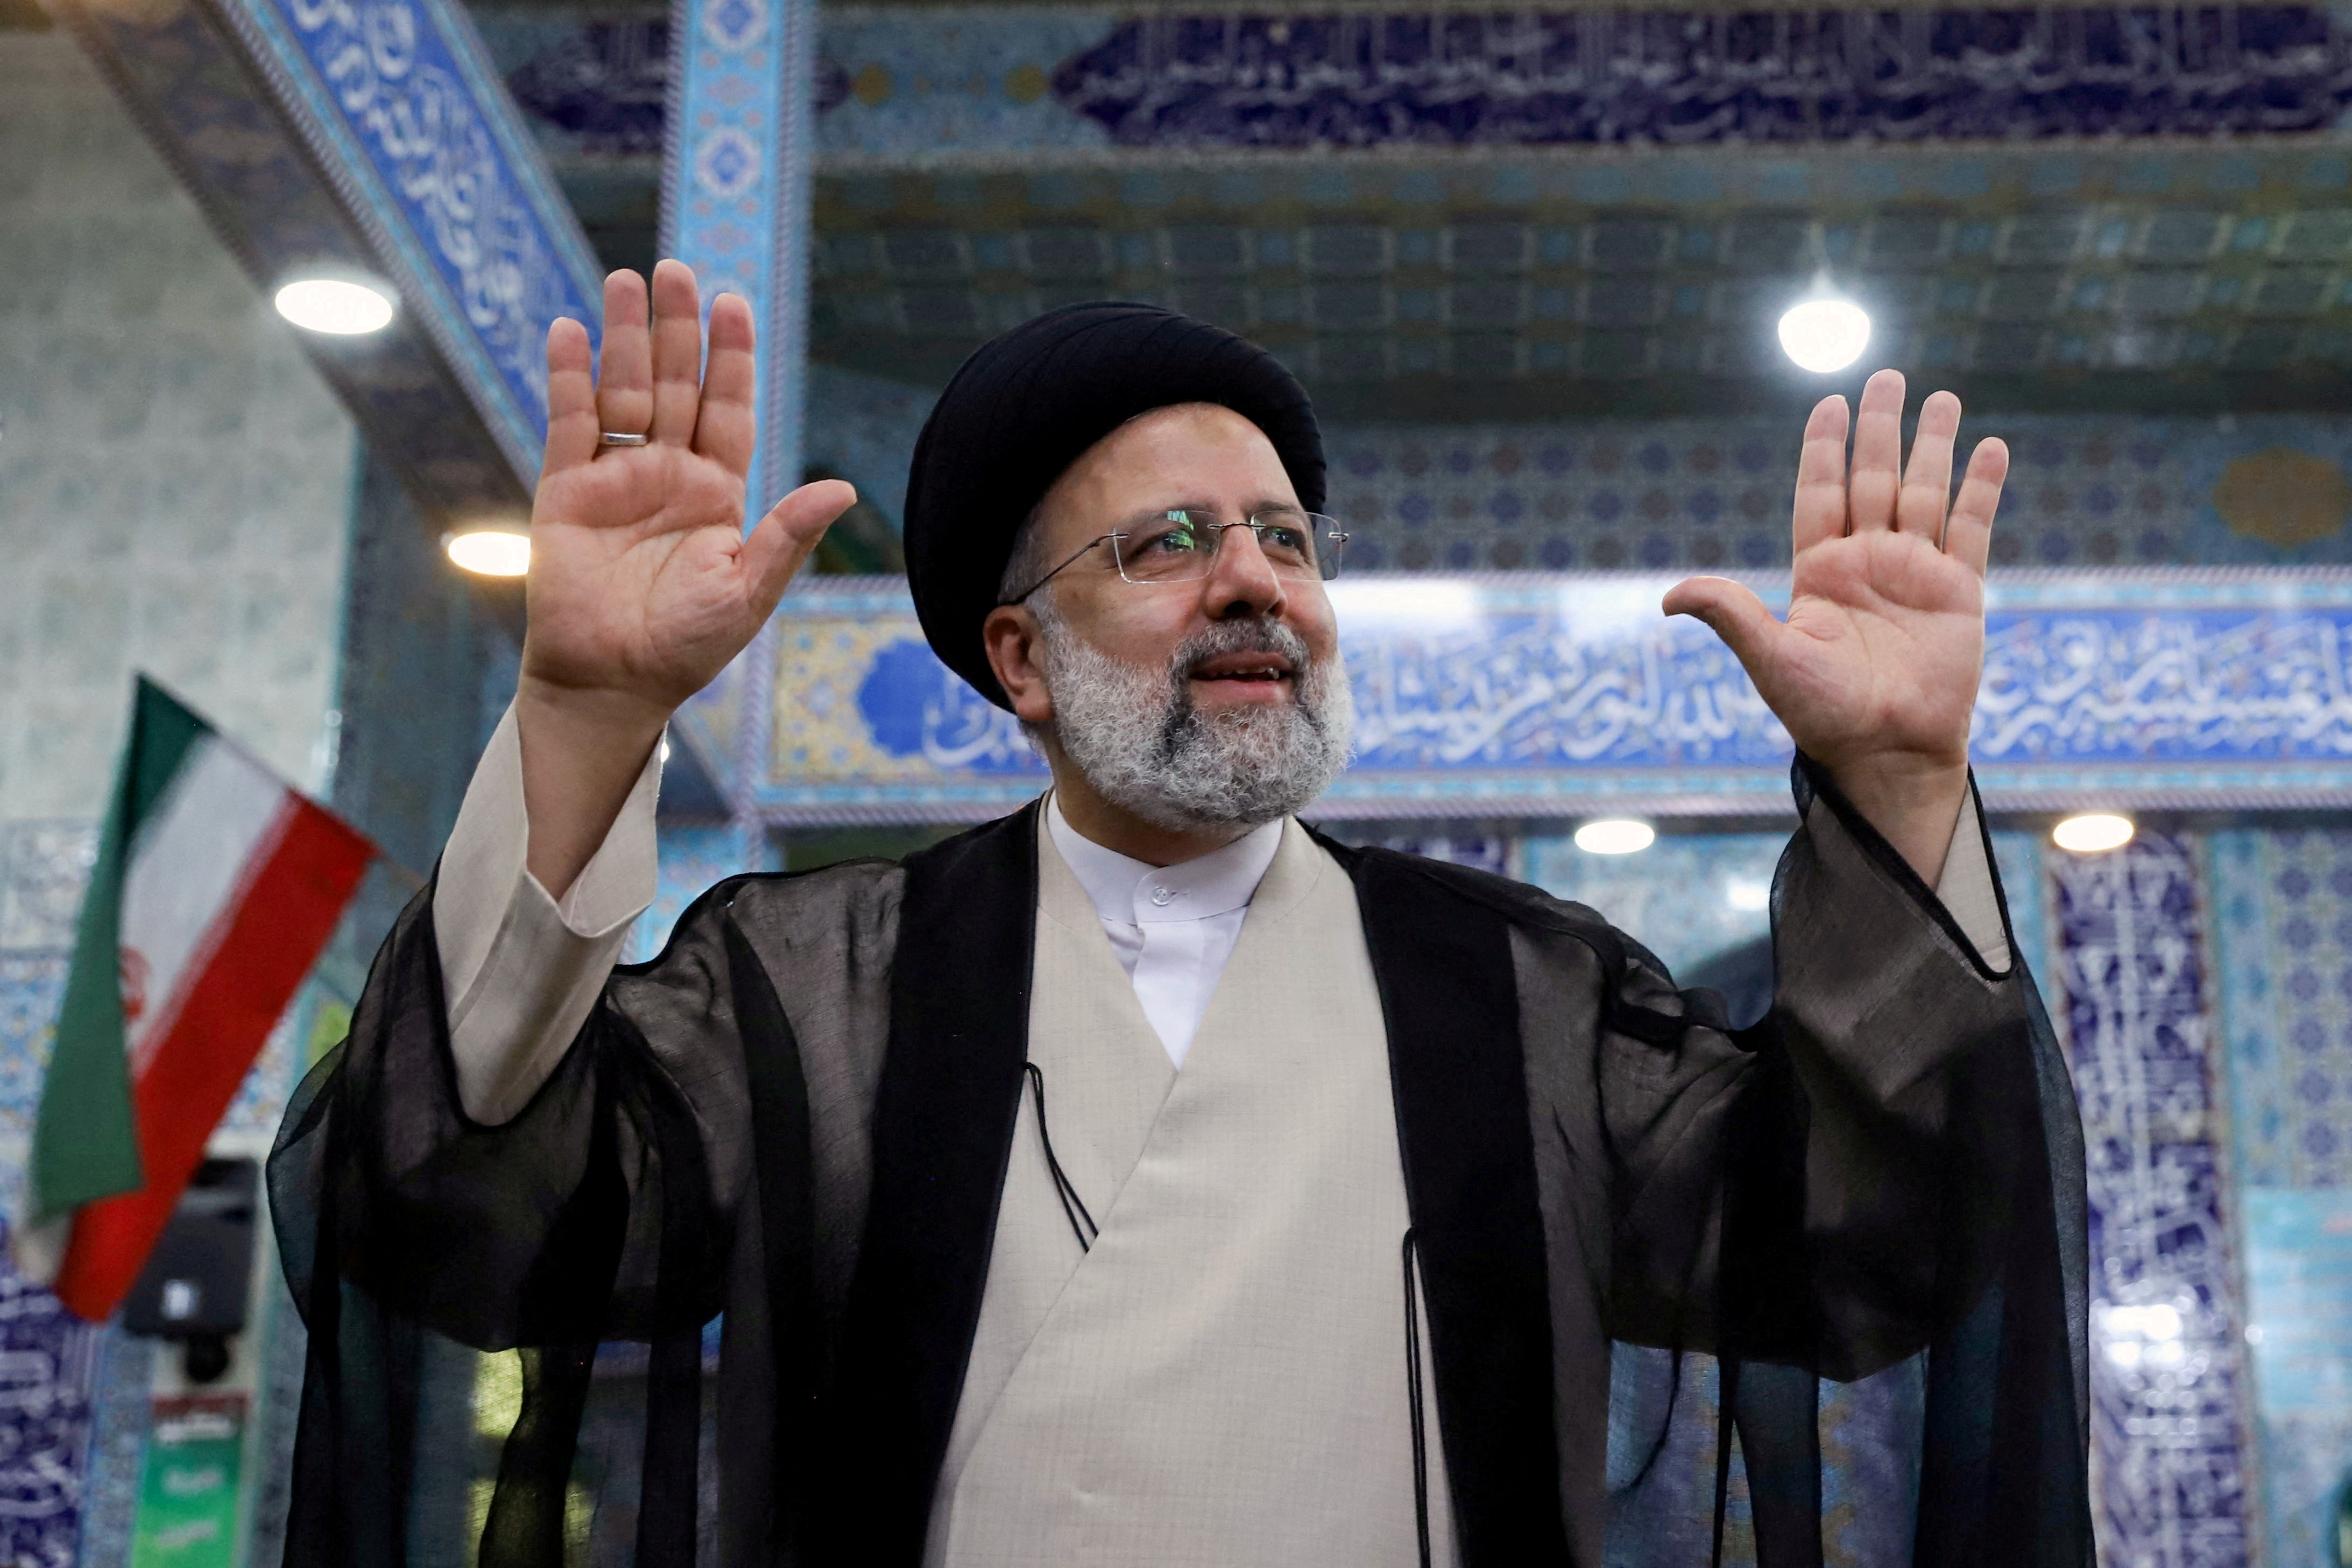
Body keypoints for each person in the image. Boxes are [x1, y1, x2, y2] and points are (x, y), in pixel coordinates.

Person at [271, 262, 2090, 1568]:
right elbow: (466, 1202)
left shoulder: (1510, 987)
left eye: (1287, 541)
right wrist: (589, 714)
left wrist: (1901, 782)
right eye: (1170, 544)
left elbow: (1862, 1238)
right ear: (1021, 660)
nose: (1254, 584)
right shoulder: (812, 984)